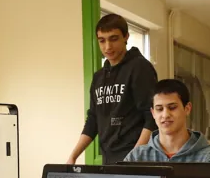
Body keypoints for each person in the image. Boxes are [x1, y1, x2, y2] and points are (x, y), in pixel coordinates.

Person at [67, 13, 158, 165]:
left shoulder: (140, 68)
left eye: (113, 39)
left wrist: (133, 159)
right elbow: (93, 120)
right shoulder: (98, 78)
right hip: (108, 158)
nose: (107, 46)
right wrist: (73, 156)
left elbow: (151, 116)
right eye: (102, 40)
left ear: (126, 37)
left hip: (136, 159)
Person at [123, 79, 210, 163]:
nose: (165, 115)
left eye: (172, 107)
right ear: (153, 113)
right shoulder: (136, 157)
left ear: (187, 109)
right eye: (159, 109)